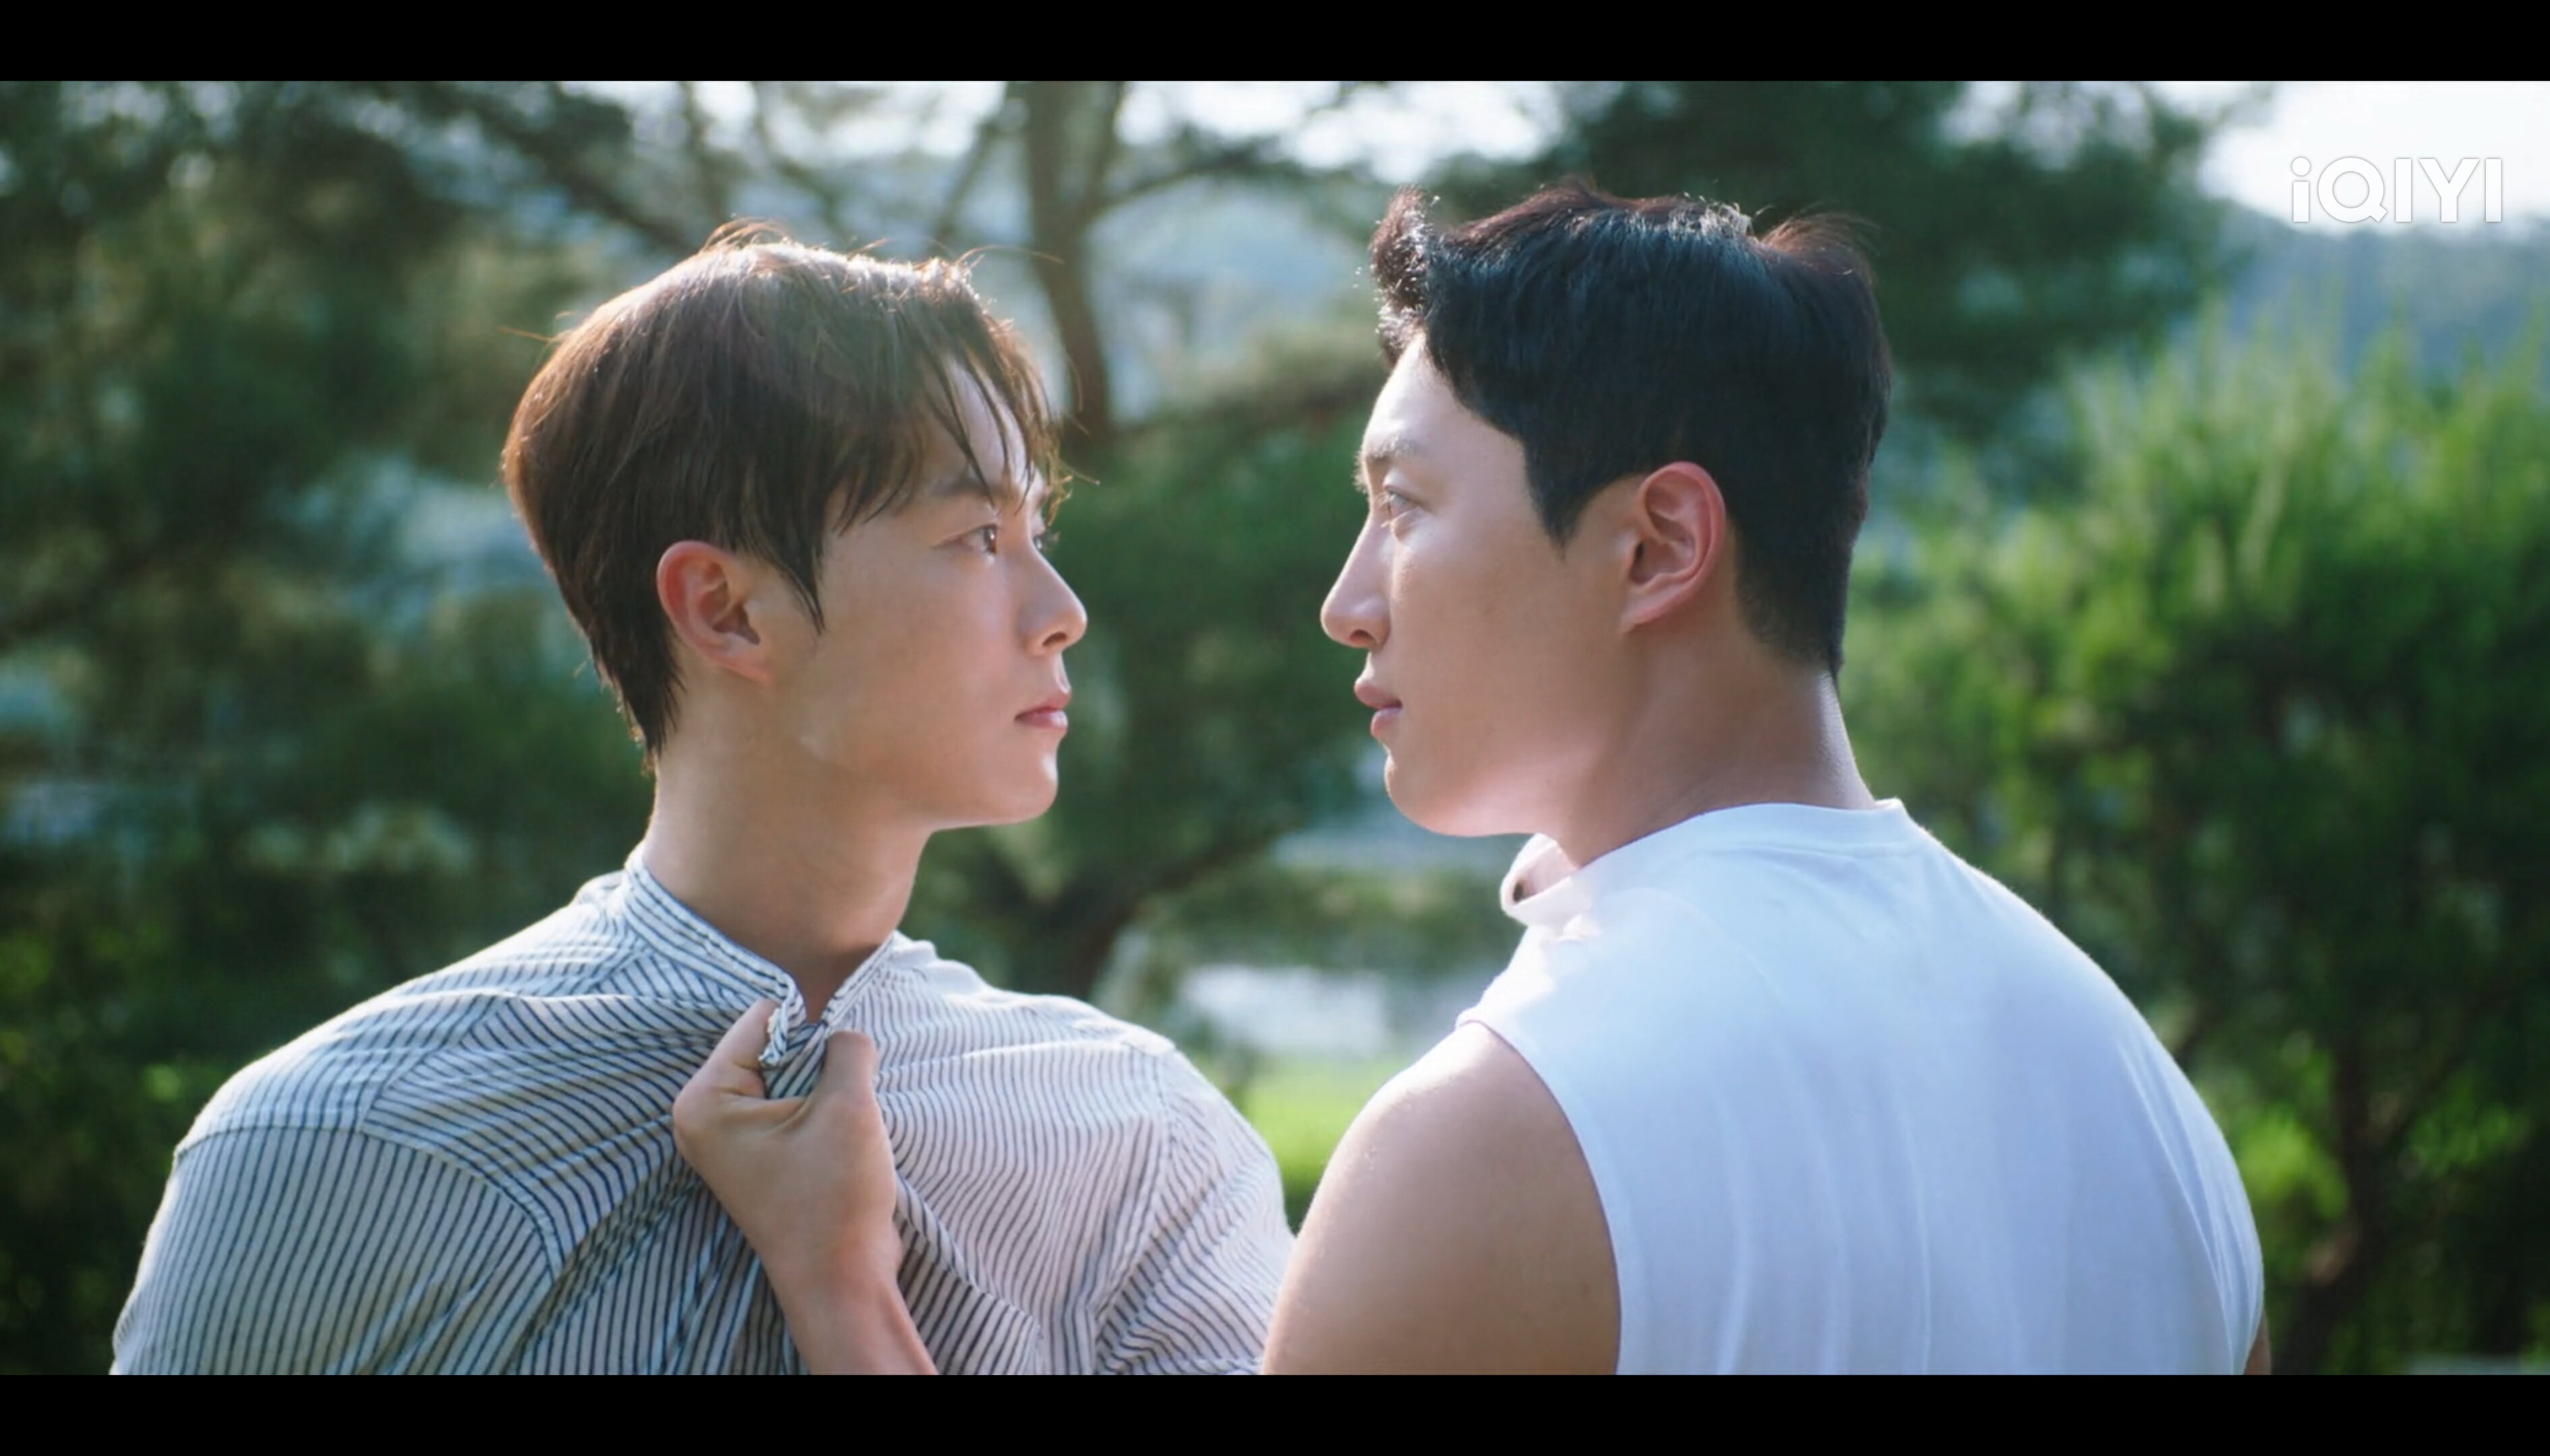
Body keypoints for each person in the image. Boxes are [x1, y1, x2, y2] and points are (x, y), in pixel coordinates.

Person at [684, 185, 2268, 1375]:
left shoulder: (1497, 1142)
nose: (1347, 599)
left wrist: (848, 1298)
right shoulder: (2145, 1105)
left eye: (1405, 507)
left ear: (1657, 546)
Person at [112, 235, 1291, 1374]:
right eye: (980, 535)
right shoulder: (334, 1144)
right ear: (725, 609)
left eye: (1037, 529)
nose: (1063, 610)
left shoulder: (1143, 1144)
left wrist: (846, 1296)